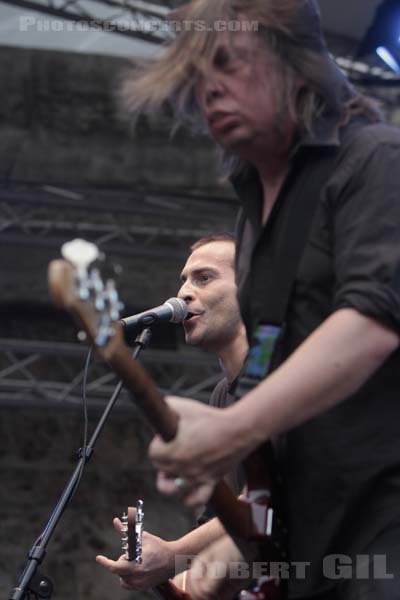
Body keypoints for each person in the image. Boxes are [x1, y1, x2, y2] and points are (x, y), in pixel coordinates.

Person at [121, 1, 400, 599]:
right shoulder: (254, 217)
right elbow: (280, 378)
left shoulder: (374, 159)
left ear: (294, 64)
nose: (209, 91)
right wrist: (195, 564)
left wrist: (231, 429)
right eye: (197, 78)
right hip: (316, 549)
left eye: (228, 65)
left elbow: (373, 320)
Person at [96, 233, 249, 592]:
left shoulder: (285, 375)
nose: (183, 293)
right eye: (183, 280)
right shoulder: (222, 394)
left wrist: (174, 553)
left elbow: (268, 500)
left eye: (204, 278)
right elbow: (222, 513)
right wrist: (172, 575)